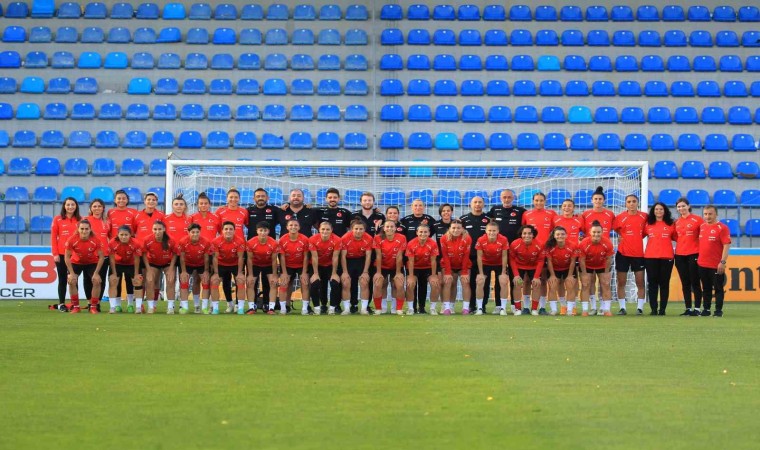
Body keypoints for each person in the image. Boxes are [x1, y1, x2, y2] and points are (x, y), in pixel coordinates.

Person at [580, 186, 616, 315]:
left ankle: (603, 307)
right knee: (589, 282)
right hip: (589, 251)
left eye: (600, 199)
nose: (598, 201)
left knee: (604, 282)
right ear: (592, 200)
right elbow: (581, 231)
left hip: (604, 252)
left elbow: (617, 228)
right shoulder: (586, 214)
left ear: (604, 200)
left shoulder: (610, 214)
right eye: (595, 199)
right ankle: (592, 307)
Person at [521, 192, 557, 314]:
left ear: (545, 201)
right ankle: (526, 307)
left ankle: (542, 307)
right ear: (533, 201)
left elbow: (555, 231)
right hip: (530, 250)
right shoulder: (527, 214)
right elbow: (524, 232)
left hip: (545, 250)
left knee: (542, 279)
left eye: (541, 200)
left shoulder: (551, 214)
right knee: (526, 280)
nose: (539, 202)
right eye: (536, 200)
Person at [612, 194, 648, 315]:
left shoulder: (644, 217)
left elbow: (645, 232)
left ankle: (640, 308)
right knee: (621, 281)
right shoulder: (620, 217)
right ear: (625, 203)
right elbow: (617, 230)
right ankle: (622, 308)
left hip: (638, 254)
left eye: (633, 201)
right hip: (623, 253)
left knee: (640, 281)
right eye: (629, 201)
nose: (631, 203)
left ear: (637, 203)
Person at [106, 190, 140, 311]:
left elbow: (135, 229)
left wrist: (129, 240)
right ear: (115, 200)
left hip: (129, 253)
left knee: (131, 281)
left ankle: (130, 304)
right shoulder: (110, 212)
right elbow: (108, 229)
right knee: (116, 280)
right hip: (116, 253)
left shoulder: (133, 212)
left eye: (123, 198)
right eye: (119, 198)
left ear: (127, 200)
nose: (121, 200)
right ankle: (117, 305)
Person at [64, 220, 105, 314]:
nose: (84, 231)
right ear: (78, 229)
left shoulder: (96, 240)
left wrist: (96, 273)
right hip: (76, 262)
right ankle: (76, 307)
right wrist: (71, 273)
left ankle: (93, 307)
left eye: (86, 229)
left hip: (91, 263)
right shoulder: (71, 240)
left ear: (90, 229)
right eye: (82, 229)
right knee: (71, 280)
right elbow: (67, 257)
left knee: (97, 281)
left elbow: (101, 257)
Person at [697, 206, 731, 317]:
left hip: (716, 265)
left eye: (710, 214)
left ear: (716, 214)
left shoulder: (722, 228)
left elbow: (726, 245)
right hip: (702, 264)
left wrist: (723, 262)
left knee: (718, 288)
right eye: (705, 214)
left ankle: (718, 310)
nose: (707, 216)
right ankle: (706, 309)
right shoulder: (702, 227)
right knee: (706, 288)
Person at [644, 203, 677, 315]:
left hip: (666, 257)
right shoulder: (648, 224)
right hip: (650, 257)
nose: (658, 211)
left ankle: (662, 309)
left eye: (661, 209)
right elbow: (639, 235)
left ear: (665, 211)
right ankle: (653, 309)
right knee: (652, 284)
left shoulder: (671, 224)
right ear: (653, 211)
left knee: (664, 284)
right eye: (656, 209)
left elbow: (678, 237)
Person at [674, 198, 704, 316]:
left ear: (688, 206)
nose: (681, 208)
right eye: (679, 207)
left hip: (694, 253)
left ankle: (697, 308)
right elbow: (675, 237)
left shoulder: (698, 219)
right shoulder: (676, 222)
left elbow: (703, 235)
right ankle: (688, 308)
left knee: (695, 282)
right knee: (685, 283)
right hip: (680, 255)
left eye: (683, 206)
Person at [190, 192, 220, 307]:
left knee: (210, 279)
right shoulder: (192, 218)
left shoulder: (216, 217)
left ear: (209, 204)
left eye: (205, 203)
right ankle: (197, 305)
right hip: (196, 252)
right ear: (197, 205)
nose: (203, 205)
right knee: (196, 279)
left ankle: (211, 304)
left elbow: (222, 233)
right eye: (201, 203)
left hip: (211, 252)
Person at [578, 222, 615, 316]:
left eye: (598, 232)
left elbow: (608, 259)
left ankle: (606, 310)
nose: (596, 234)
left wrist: (606, 273)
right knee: (586, 285)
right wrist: (584, 273)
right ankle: (586, 310)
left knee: (605, 284)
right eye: (594, 232)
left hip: (602, 265)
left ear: (602, 232)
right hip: (587, 265)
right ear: (590, 232)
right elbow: (581, 260)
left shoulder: (607, 243)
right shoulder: (584, 243)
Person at [51, 197, 81, 309]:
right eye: (68, 205)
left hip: (75, 255)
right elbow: (53, 237)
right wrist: (55, 254)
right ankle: (62, 303)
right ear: (64, 206)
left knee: (74, 279)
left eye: (73, 204)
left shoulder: (80, 220)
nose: (70, 207)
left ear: (76, 206)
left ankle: (75, 304)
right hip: (61, 254)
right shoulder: (57, 219)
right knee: (62, 279)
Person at [460, 197, 490, 312]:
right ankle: (471, 305)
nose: (477, 204)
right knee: (471, 281)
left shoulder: (488, 219)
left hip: (484, 257)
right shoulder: (463, 219)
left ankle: (483, 305)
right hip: (469, 256)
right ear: (470, 204)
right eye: (475, 202)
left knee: (484, 281)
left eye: (480, 202)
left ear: (483, 204)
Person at [210, 222, 246, 315]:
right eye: (226, 229)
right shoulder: (216, 241)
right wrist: (216, 273)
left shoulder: (240, 241)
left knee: (240, 281)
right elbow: (215, 258)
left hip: (235, 264)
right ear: (222, 231)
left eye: (231, 229)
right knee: (215, 281)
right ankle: (217, 308)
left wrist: (240, 273)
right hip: (221, 264)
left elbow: (241, 258)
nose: (228, 231)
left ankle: (240, 308)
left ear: (234, 231)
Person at [141, 221, 178, 314]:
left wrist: (171, 269)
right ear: (152, 229)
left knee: (170, 281)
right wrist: (148, 269)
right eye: (155, 229)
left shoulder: (171, 240)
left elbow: (175, 254)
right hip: (153, 263)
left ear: (164, 229)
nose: (157, 232)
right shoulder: (147, 240)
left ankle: (170, 307)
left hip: (167, 263)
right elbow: (144, 254)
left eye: (160, 229)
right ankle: (151, 307)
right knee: (150, 281)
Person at [475, 221, 510, 316]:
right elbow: (479, 257)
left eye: (494, 231)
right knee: (480, 282)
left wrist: (503, 272)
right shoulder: (481, 239)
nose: (492, 232)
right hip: (485, 263)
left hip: (499, 263)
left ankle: (502, 308)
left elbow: (504, 256)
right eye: (490, 230)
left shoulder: (503, 239)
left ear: (498, 231)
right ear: (486, 231)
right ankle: (480, 308)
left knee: (503, 282)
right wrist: (481, 273)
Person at [277, 219, 311, 315]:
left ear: (299, 227)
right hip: (287, 265)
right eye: (291, 225)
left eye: (296, 225)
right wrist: (284, 273)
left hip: (301, 265)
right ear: (287, 227)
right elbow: (282, 257)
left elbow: (306, 257)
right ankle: (283, 308)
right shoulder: (282, 239)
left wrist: (304, 272)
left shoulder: (305, 239)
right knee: (284, 284)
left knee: (305, 283)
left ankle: (305, 308)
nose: (293, 227)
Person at [509, 225, 545, 316]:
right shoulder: (514, 244)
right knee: (517, 284)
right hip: (519, 266)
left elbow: (541, 261)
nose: (527, 235)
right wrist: (516, 275)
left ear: (533, 235)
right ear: (521, 234)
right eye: (524, 233)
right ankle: (518, 309)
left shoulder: (539, 244)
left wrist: (536, 277)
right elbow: (512, 259)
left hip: (533, 267)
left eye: (529, 233)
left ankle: (534, 309)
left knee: (536, 284)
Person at [404, 224, 440, 315]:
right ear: (417, 232)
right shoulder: (411, 243)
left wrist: (434, 275)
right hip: (414, 268)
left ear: (429, 233)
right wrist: (411, 276)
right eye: (421, 232)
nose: (423, 234)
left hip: (428, 268)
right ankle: (410, 308)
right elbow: (410, 261)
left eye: (425, 232)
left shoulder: (433, 243)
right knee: (410, 284)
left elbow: (433, 261)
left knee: (435, 284)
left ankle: (432, 308)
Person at [372, 220, 406, 315]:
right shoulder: (378, 238)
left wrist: (398, 272)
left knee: (398, 285)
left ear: (395, 228)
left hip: (396, 266)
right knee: (379, 284)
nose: (389, 228)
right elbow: (378, 255)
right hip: (382, 266)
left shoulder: (402, 237)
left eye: (392, 226)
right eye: (387, 226)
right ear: (384, 228)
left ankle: (397, 308)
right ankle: (380, 308)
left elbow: (399, 256)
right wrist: (378, 272)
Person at [340, 219, 373, 314]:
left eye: (361, 229)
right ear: (351, 229)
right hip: (348, 261)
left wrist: (365, 272)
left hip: (361, 260)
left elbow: (368, 256)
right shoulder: (345, 238)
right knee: (346, 282)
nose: (358, 231)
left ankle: (364, 309)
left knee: (364, 282)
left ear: (364, 230)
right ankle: (346, 309)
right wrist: (345, 272)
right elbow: (343, 256)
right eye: (356, 229)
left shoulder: (369, 238)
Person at [177, 223, 212, 314]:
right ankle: (184, 307)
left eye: (197, 232)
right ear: (188, 232)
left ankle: (203, 308)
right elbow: (182, 257)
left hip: (201, 264)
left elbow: (206, 258)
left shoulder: (206, 242)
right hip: (187, 264)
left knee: (205, 282)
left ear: (200, 232)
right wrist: (183, 271)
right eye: (193, 232)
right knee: (184, 282)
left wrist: (206, 271)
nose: (195, 234)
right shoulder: (183, 241)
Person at [245, 221, 280, 314]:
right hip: (255, 264)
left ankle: (271, 308)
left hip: (268, 264)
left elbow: (274, 260)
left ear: (268, 231)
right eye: (261, 230)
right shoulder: (250, 242)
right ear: (257, 231)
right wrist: (250, 275)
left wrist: (275, 276)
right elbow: (249, 259)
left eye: (265, 230)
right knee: (250, 283)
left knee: (273, 283)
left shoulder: (274, 243)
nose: (263, 233)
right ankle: (251, 307)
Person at [309, 221, 343, 315]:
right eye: (323, 229)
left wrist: (334, 273)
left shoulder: (337, 239)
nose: (325, 231)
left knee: (335, 283)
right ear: (319, 230)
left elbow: (335, 257)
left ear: (331, 230)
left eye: (327, 229)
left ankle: (332, 308)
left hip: (330, 265)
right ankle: (317, 308)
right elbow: (314, 257)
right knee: (315, 283)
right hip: (317, 265)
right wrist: (315, 273)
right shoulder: (312, 239)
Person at [439, 219, 472, 315]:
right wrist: (448, 272)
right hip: (448, 264)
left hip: (463, 265)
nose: (456, 230)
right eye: (453, 228)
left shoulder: (467, 238)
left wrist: (464, 272)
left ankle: (465, 308)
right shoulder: (443, 238)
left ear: (462, 229)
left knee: (465, 282)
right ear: (449, 228)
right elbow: (445, 256)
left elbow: (466, 256)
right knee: (448, 282)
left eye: (458, 228)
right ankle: (447, 307)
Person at [107, 226, 143, 314]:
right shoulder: (112, 243)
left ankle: (136, 307)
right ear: (118, 235)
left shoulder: (136, 243)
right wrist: (114, 273)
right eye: (121, 235)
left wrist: (136, 274)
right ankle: (114, 307)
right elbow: (111, 259)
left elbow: (137, 259)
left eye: (126, 235)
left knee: (137, 282)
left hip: (131, 264)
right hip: (117, 264)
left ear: (130, 235)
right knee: (113, 282)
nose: (123, 237)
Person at [544, 226, 579, 316]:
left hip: (568, 268)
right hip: (554, 269)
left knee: (570, 286)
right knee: (552, 287)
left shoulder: (572, 245)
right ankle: (554, 310)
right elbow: (549, 262)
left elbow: (573, 261)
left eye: (562, 234)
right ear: (554, 236)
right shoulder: (549, 246)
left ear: (566, 235)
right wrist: (552, 275)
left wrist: (570, 275)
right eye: (558, 234)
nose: (560, 236)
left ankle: (570, 310)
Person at [84, 199, 110, 308]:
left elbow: (111, 237)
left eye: (99, 206)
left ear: (103, 208)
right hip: (89, 255)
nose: (97, 208)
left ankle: (97, 302)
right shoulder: (85, 220)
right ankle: (89, 302)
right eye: (94, 206)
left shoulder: (107, 221)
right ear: (91, 208)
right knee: (88, 279)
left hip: (104, 255)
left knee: (100, 279)